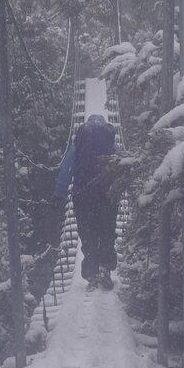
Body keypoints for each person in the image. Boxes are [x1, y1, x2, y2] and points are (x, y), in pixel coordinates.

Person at [55, 112, 122, 288]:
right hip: (107, 194)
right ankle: (105, 268)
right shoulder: (111, 144)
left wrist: (60, 191)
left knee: (88, 232)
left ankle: (91, 271)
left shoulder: (78, 144)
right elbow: (122, 165)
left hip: (83, 194)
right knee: (107, 230)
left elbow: (67, 167)